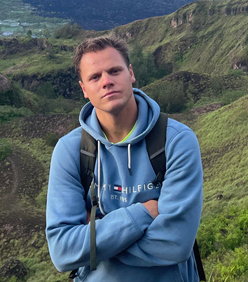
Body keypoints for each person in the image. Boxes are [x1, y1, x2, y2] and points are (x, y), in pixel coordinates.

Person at [46, 35, 203, 281]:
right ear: (84, 89)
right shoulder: (70, 151)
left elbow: (175, 244)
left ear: (130, 73)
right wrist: (142, 213)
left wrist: (96, 237)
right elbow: (63, 251)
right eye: (95, 77)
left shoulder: (176, 141)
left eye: (114, 71)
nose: (107, 81)